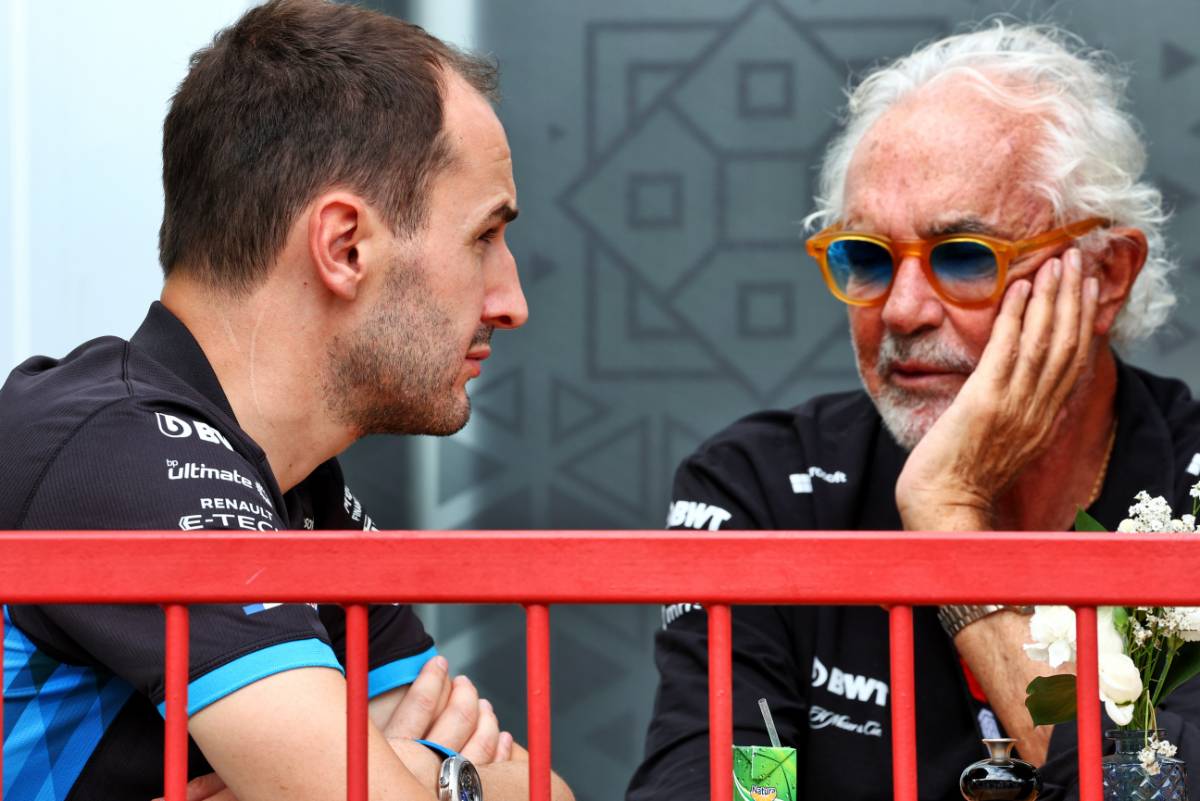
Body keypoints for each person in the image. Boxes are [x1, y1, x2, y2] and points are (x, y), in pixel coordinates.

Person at [0, 2, 574, 800]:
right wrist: (424, 775)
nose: (512, 303)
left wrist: (436, 778)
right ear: (344, 246)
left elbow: (546, 789)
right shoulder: (125, 453)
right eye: (483, 237)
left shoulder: (299, 489)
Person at [627, 22, 1200, 801]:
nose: (900, 310)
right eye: (865, 257)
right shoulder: (761, 489)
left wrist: (947, 516)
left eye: (964, 257)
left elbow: (1159, 788)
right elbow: (719, 784)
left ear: (1106, 274)